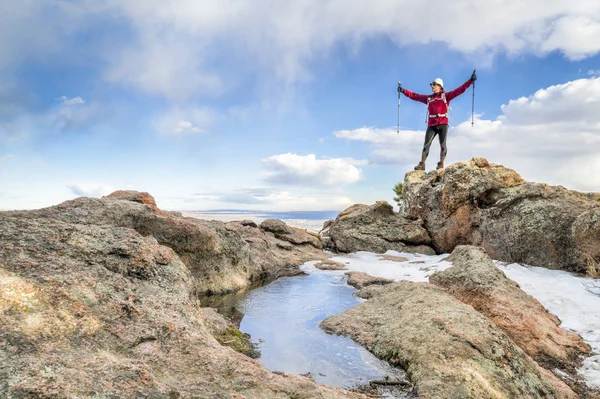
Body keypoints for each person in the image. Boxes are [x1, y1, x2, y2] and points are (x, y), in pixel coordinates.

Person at [398, 70, 477, 170]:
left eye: (434, 85)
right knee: (426, 144)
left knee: (443, 145)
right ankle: (422, 164)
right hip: (432, 124)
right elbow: (415, 96)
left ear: (440, 86)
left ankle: (441, 163)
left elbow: (460, 90)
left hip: (443, 123)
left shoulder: (446, 96)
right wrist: (403, 91)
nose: (432, 86)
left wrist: (470, 81)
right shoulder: (429, 98)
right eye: (432, 85)